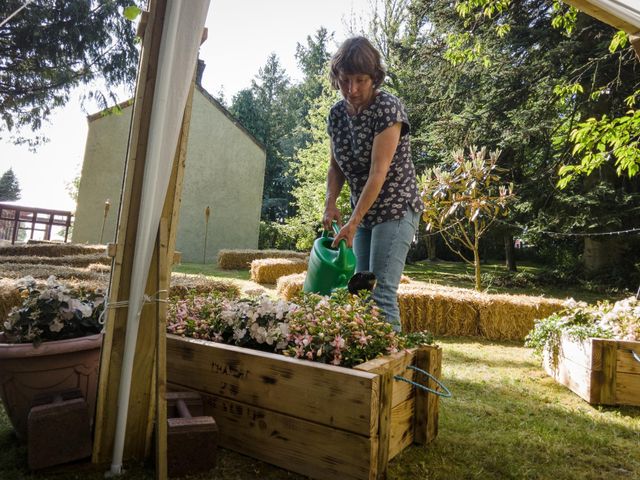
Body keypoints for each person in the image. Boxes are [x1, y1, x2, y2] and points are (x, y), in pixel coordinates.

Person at [322, 36, 422, 331]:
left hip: (395, 207)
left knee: (380, 294)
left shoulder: (388, 109)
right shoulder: (337, 115)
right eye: (345, 81)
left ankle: (390, 373)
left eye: (360, 81)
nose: (351, 90)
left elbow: (378, 172)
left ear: (374, 78)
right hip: (363, 213)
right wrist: (330, 203)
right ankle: (368, 367)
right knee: (362, 292)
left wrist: (353, 222)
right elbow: (335, 166)